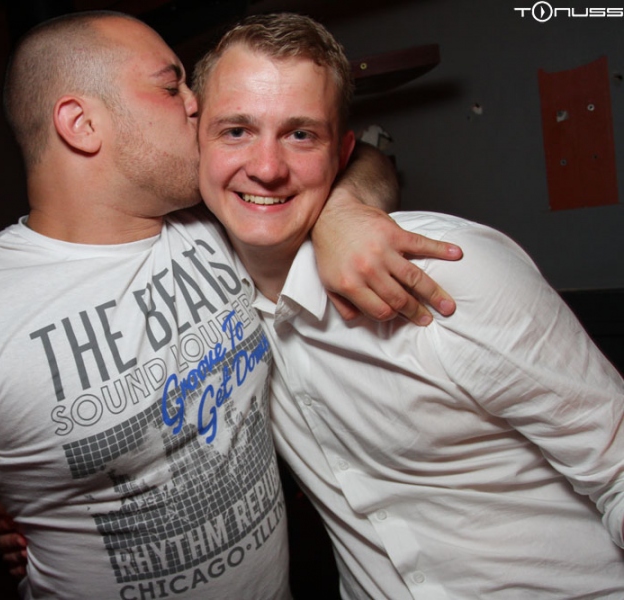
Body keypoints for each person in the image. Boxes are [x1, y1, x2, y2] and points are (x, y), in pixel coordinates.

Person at [0, 11, 462, 600]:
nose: (197, 102)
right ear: (82, 124)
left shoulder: (219, 221)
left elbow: (352, 157)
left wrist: (345, 215)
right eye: (171, 86)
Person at [191, 12, 624, 599]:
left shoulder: (450, 270)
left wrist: (347, 204)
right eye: (237, 130)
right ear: (195, 144)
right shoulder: (200, 292)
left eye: (301, 135)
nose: (267, 168)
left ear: (342, 152)